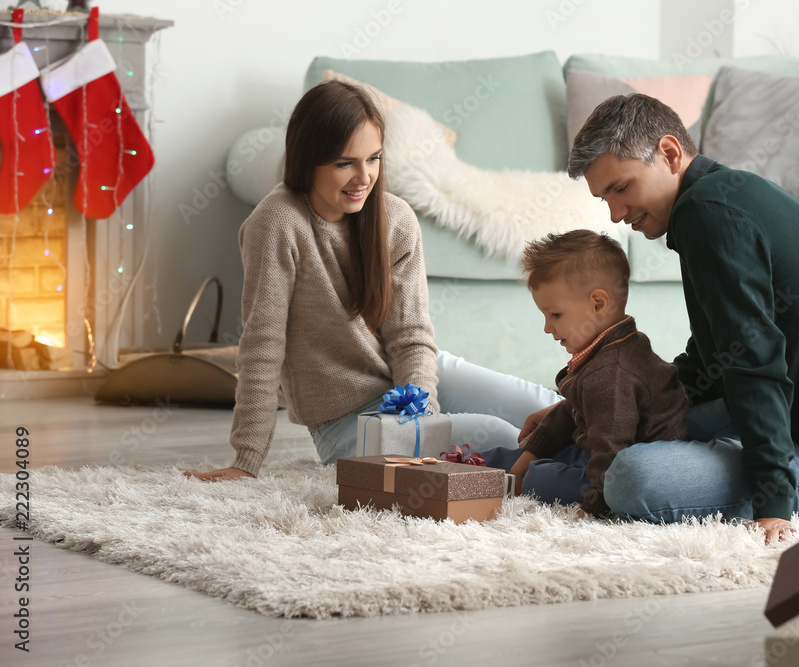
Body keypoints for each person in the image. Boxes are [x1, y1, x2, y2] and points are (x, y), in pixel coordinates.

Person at [519, 94, 799, 543]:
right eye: (604, 198)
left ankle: (526, 471)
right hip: (793, 420)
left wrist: (773, 504)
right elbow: (710, 358)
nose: (616, 214)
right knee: (627, 422)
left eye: (620, 188)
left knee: (630, 476)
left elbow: (754, 364)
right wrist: (578, 405)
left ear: (670, 154)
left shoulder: (708, 215)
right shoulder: (718, 198)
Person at [184, 80, 559, 483]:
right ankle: (592, 483)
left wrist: (422, 419)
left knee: (549, 409)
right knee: (504, 437)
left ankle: (624, 459)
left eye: (374, 158)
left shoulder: (395, 218)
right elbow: (262, 344)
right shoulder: (277, 222)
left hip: (417, 381)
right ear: (308, 161)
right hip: (347, 421)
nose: (364, 177)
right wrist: (246, 459)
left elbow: (411, 335)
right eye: (345, 163)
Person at [480, 230, 690, 518]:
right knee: (503, 457)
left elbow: (611, 452)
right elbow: (572, 410)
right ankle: (455, 470)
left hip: (614, 469)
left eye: (555, 315)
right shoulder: (604, 351)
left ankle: (514, 477)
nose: (547, 327)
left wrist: (593, 507)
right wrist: (531, 453)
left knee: (539, 478)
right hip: (593, 450)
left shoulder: (611, 374)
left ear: (598, 304)